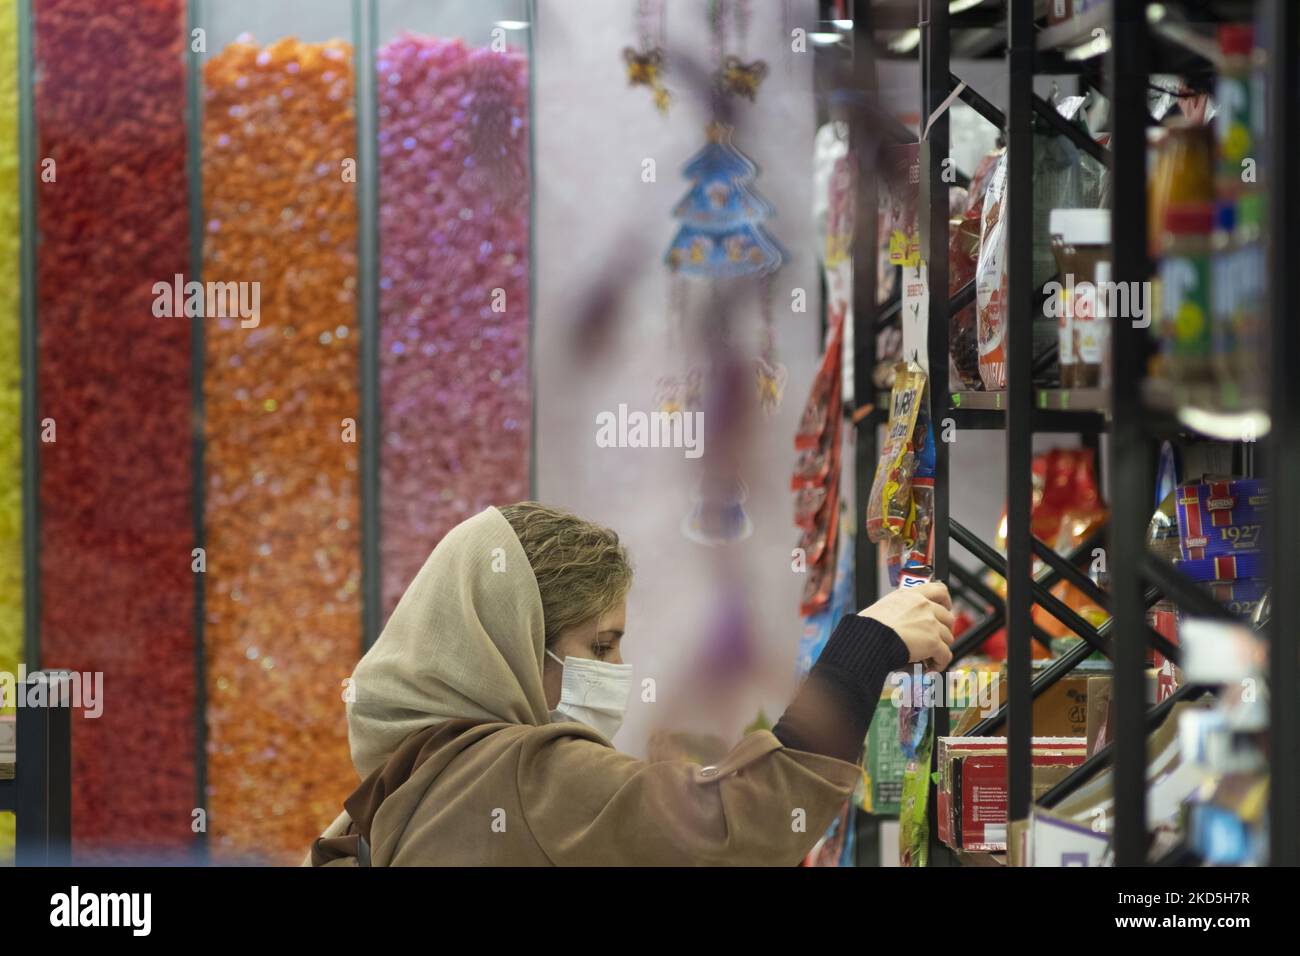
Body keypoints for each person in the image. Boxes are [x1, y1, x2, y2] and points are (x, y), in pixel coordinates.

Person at [307, 502, 954, 866]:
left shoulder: (421, 779)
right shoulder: (514, 772)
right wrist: (865, 649)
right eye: (600, 646)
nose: (618, 673)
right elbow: (744, 820)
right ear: (515, 649)